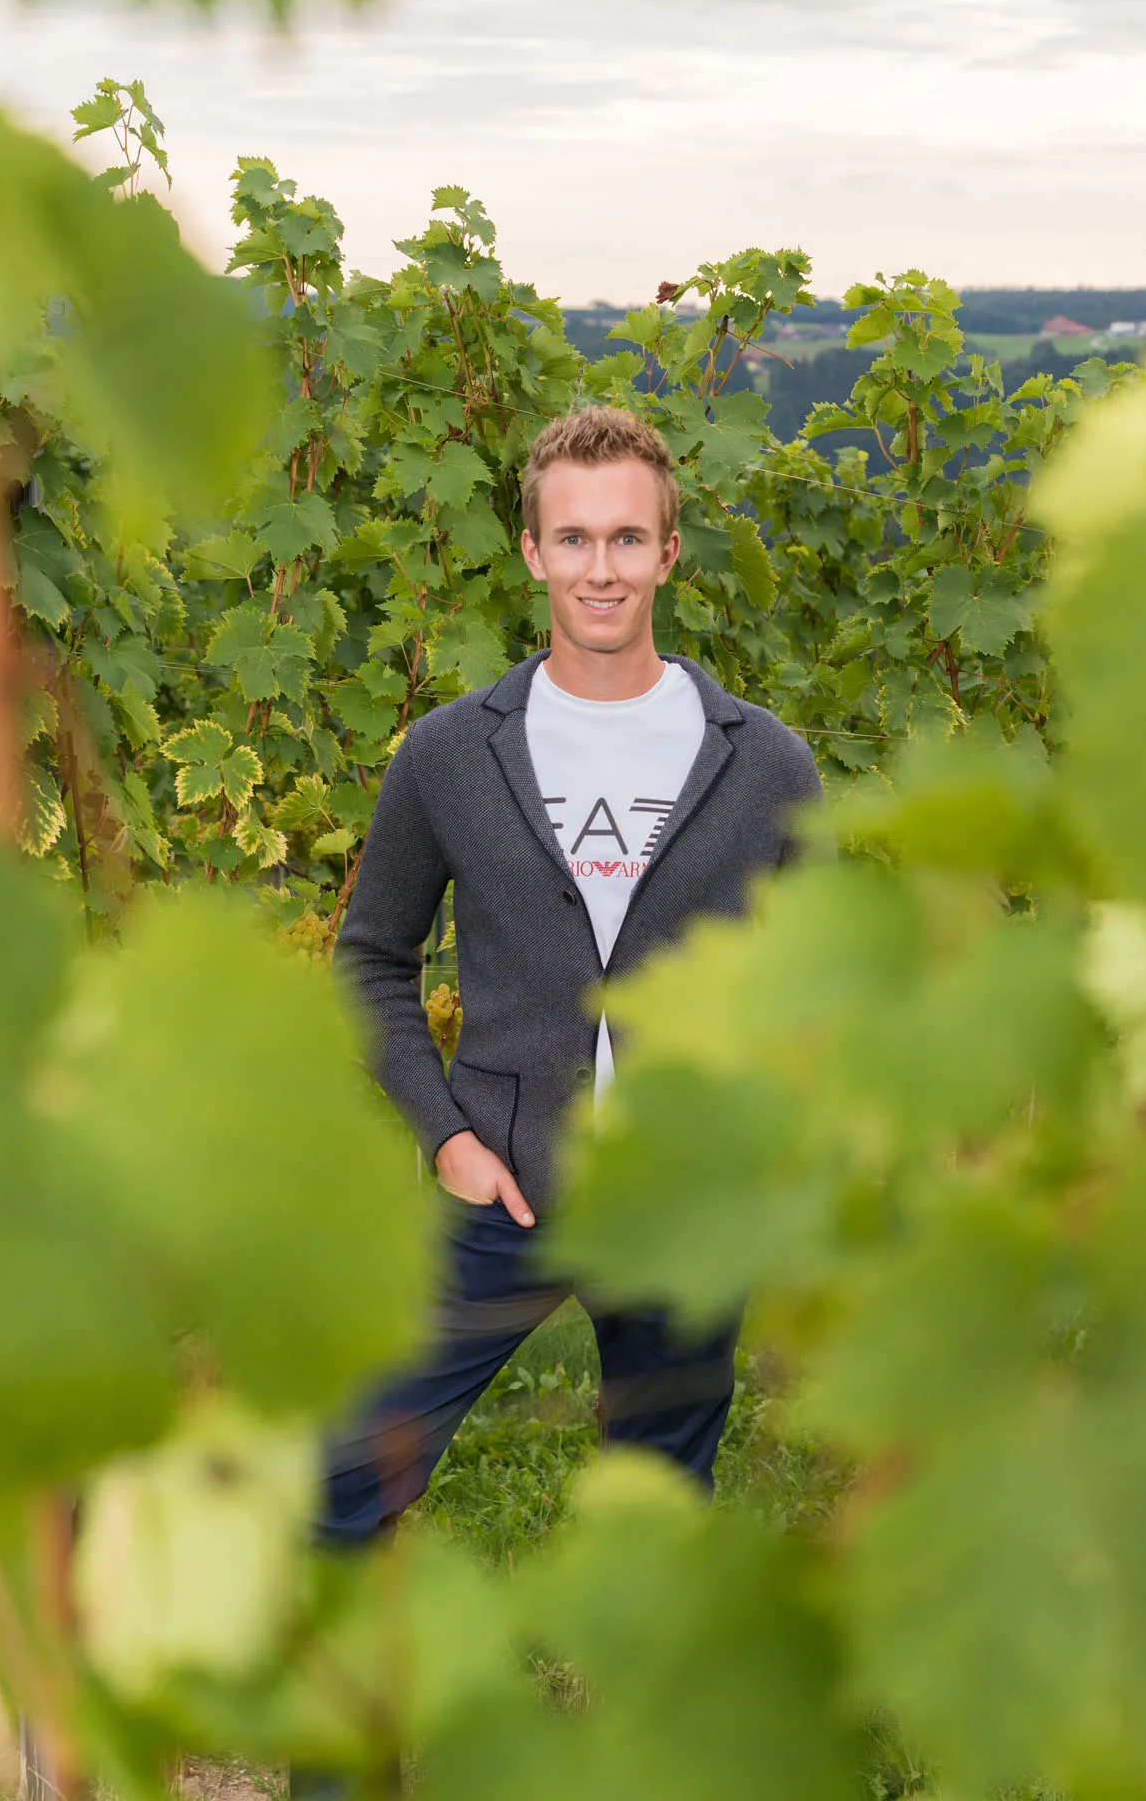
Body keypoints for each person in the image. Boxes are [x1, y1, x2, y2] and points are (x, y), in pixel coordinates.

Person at [324, 404, 823, 1543]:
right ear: (533, 553)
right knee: (345, 1479)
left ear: (666, 554)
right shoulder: (449, 755)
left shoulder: (764, 765)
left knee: (657, 1501)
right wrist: (447, 1138)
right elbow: (370, 959)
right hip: (498, 1181)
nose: (601, 569)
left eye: (626, 539)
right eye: (575, 539)